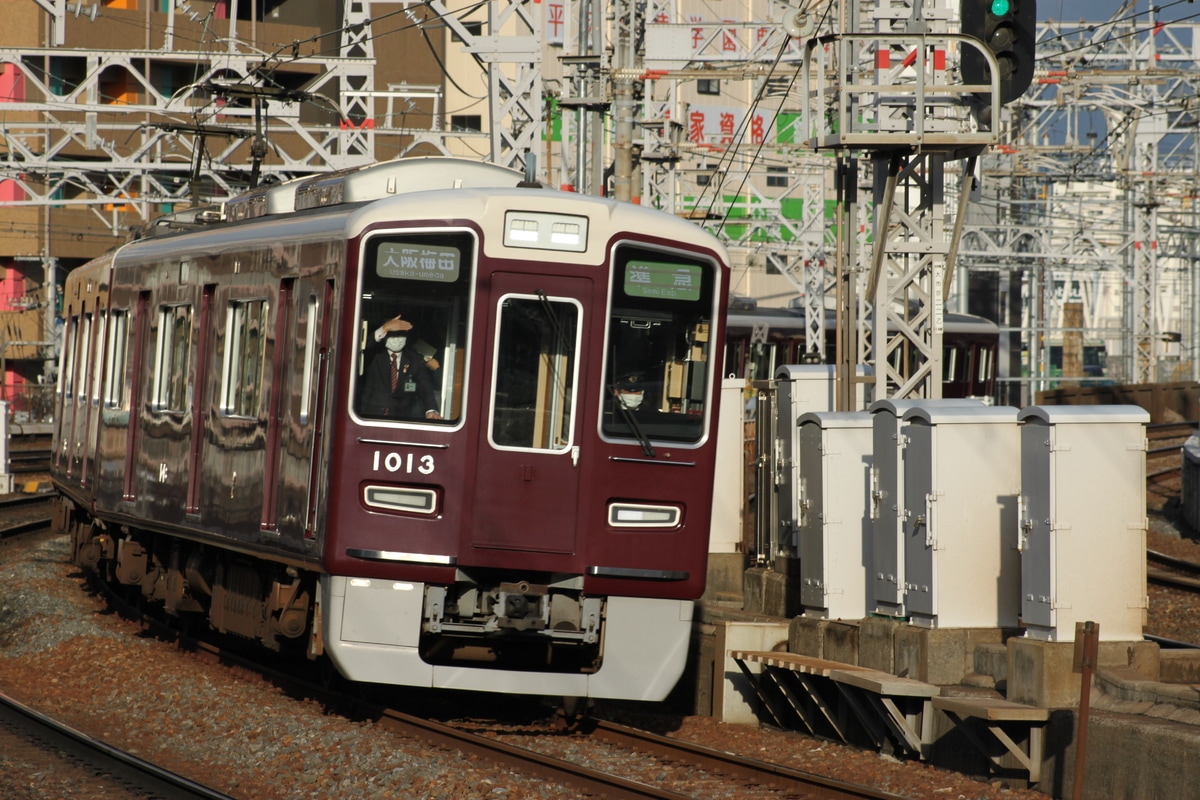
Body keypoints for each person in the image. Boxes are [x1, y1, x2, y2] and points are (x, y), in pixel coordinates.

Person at [360, 314, 443, 420]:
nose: (397, 340)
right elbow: (362, 347)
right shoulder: (374, 354)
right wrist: (384, 328)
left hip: (400, 419)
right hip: (369, 416)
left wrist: (431, 410)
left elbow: (425, 387)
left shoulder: (414, 359)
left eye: (401, 335)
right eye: (393, 335)